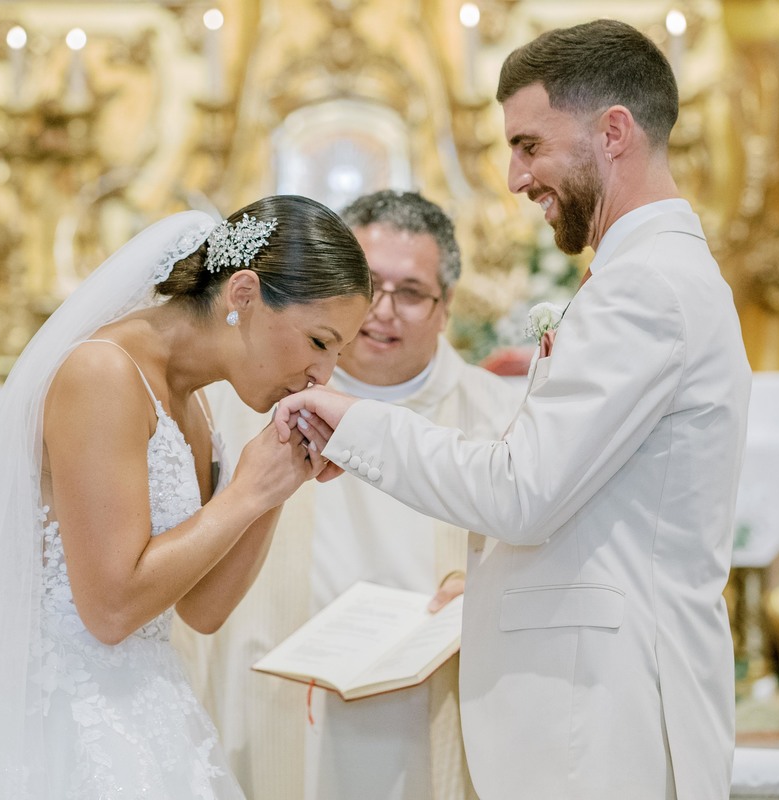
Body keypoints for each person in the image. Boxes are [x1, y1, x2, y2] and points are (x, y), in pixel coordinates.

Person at [275, 20, 752, 800]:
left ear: (613, 131)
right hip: (596, 708)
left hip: (603, 720)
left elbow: (520, 494)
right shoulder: (646, 274)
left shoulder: (646, 288)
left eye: (530, 144)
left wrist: (349, 421)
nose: (513, 177)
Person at [0, 195, 372, 799]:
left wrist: (278, 486)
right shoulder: (103, 373)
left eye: (339, 353)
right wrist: (247, 491)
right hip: (64, 721)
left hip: (151, 709)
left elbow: (202, 610)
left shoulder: (195, 403)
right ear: (243, 294)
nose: (324, 376)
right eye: (320, 342)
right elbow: (110, 609)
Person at [174, 191, 522, 800]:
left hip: (431, 706)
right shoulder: (236, 403)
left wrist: (495, 587)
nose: (383, 312)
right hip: (270, 697)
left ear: (446, 308)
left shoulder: (502, 417)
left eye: (411, 292)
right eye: (370, 286)